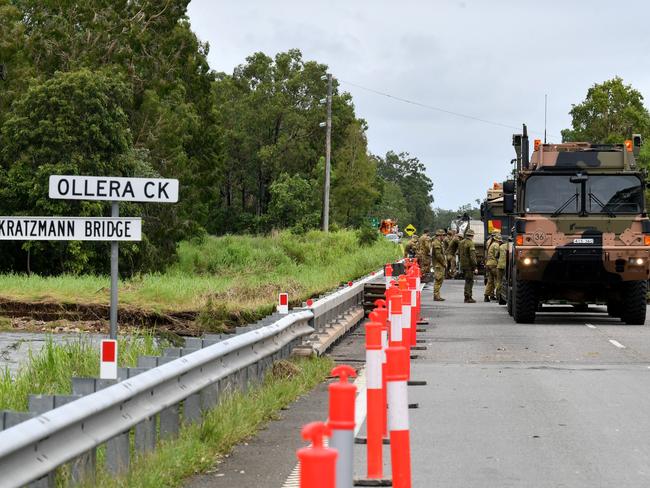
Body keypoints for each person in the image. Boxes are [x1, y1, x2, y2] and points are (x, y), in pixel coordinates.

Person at [459, 229, 478, 303]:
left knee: (467, 280)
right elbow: (472, 256)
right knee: (469, 281)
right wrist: (475, 266)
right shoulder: (471, 243)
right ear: (472, 235)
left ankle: (467, 296)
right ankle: (468, 297)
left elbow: (459, 253)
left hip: (463, 264)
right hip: (469, 265)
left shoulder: (461, 242)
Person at [484, 233, 502, 302]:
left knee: (490, 281)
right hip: (494, 265)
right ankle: (498, 296)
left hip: (489, 264)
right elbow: (497, 256)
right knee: (498, 280)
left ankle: (486, 296)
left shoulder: (491, 244)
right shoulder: (496, 245)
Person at [431, 229, 447, 301]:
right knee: (438, 279)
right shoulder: (436, 243)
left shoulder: (439, 242)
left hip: (439, 264)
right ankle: (436, 296)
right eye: (443, 235)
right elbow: (438, 255)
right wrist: (444, 263)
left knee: (440, 279)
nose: (444, 237)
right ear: (440, 236)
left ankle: (437, 295)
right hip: (438, 264)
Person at [496, 236, 508, 304]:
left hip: (500, 265)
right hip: (506, 266)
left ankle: (498, 296)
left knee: (499, 281)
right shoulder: (510, 246)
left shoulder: (501, 247)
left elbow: (496, 255)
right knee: (505, 281)